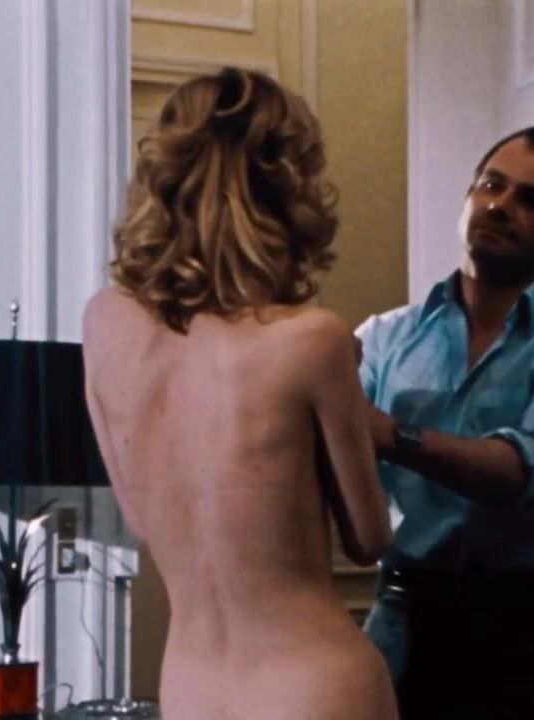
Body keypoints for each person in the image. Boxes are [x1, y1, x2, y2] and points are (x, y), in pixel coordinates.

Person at [82, 67, 398, 720]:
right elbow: (368, 538)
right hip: (312, 685)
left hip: (191, 687)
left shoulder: (103, 322)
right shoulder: (311, 339)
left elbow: (139, 517)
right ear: (286, 190)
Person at [358, 126, 534, 719]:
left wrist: (390, 434)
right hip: (405, 619)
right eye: (491, 185)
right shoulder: (382, 338)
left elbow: (523, 476)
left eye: (530, 199)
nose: (499, 205)